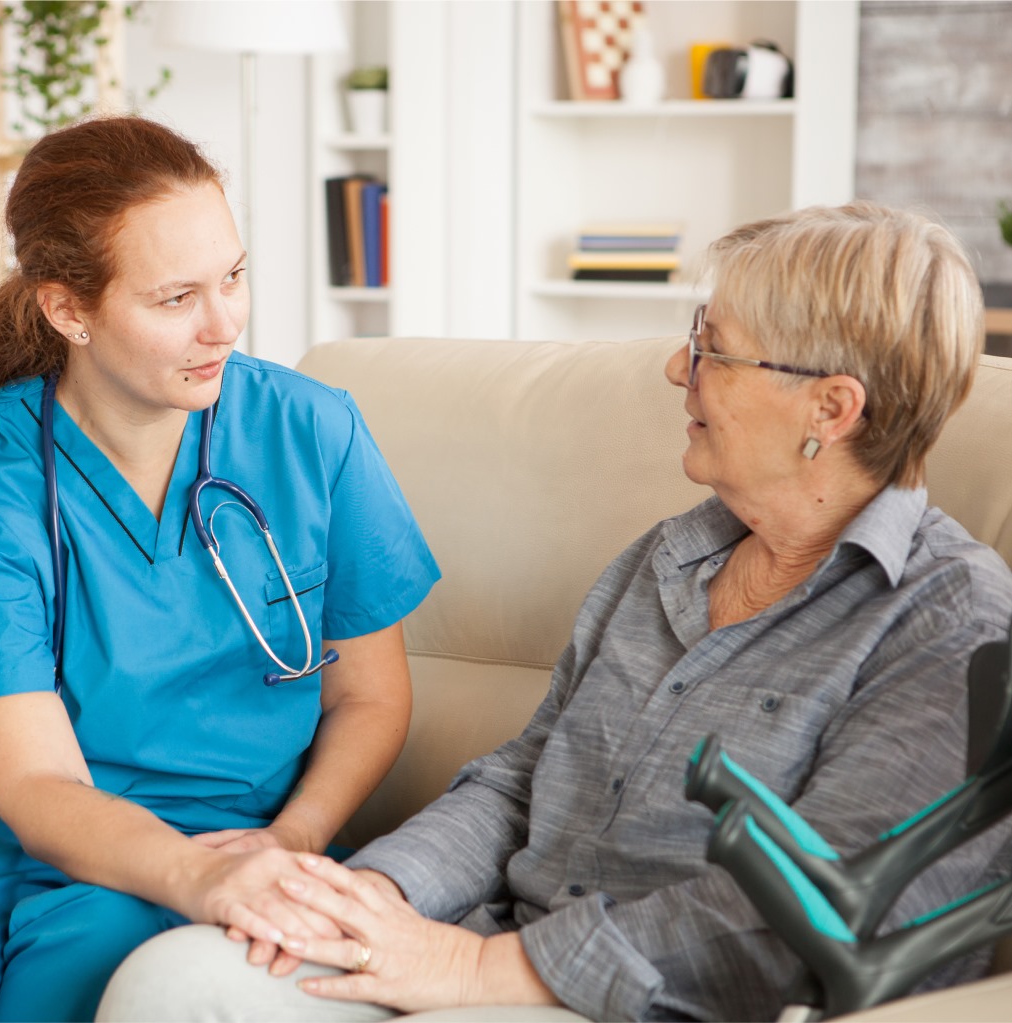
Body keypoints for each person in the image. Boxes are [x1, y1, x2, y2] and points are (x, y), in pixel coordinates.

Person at [97, 201, 1012, 1023]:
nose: (674, 367)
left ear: (830, 406)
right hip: (488, 942)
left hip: (658, 1000)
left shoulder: (953, 626)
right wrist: (365, 892)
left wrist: (482, 967)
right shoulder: (668, 560)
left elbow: (811, 915)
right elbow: (518, 780)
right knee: (173, 982)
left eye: (712, 351)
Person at [0, 115, 440, 1022]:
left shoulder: (314, 431)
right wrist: (202, 878)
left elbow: (370, 694)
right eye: (175, 298)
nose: (223, 324)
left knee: (73, 989)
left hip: (230, 817)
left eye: (232, 278)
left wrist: (288, 839)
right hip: (3, 812)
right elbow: (36, 785)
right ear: (67, 309)